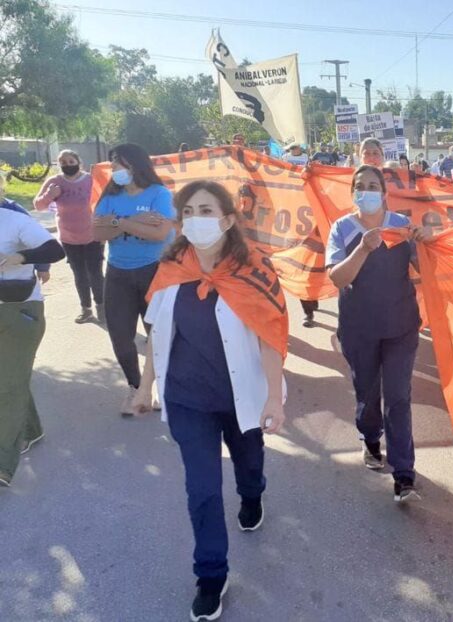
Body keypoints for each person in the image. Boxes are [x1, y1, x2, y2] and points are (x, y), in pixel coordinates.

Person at [131, 180, 287, 622]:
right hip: (187, 399)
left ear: (228, 219)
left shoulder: (255, 270)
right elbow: (156, 332)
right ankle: (211, 576)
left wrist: (274, 398)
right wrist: (146, 388)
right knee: (201, 490)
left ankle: (253, 495)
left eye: (206, 210)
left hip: (243, 398)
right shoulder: (171, 269)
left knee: (249, 465)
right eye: (188, 212)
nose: (195, 219)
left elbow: (271, 338)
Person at [325, 165, 432, 503]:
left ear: (385, 192)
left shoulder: (401, 226)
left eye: (373, 185)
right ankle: (371, 437)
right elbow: (338, 279)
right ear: (353, 192)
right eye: (360, 186)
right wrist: (363, 248)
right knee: (368, 395)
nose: (367, 191)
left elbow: (429, 269)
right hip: (360, 329)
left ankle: (404, 476)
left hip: (400, 326)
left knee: (398, 397)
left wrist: (427, 244)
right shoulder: (341, 229)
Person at [93, 143, 176, 416]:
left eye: (119, 162)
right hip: (117, 274)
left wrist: (118, 222)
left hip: (153, 272)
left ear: (136, 165)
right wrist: (135, 221)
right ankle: (135, 386)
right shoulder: (110, 195)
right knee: (120, 336)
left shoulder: (159, 193)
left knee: (158, 333)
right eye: (113, 163)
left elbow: (160, 233)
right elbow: (98, 234)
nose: (114, 168)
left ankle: (161, 385)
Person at [0, 195, 65, 487]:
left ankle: (3, 462)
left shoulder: (15, 220)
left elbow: (54, 248)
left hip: (20, 310)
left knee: (7, 384)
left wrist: (21, 257)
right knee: (11, 378)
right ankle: (32, 429)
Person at [34, 150, 105, 324]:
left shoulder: (91, 180)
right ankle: (86, 309)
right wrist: (50, 195)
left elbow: (106, 202)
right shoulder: (54, 182)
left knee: (95, 273)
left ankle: (102, 308)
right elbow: (39, 206)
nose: (67, 165)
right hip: (69, 237)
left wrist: (105, 230)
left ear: (79, 161)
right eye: (63, 162)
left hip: (93, 235)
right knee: (79, 274)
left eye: (71, 161)